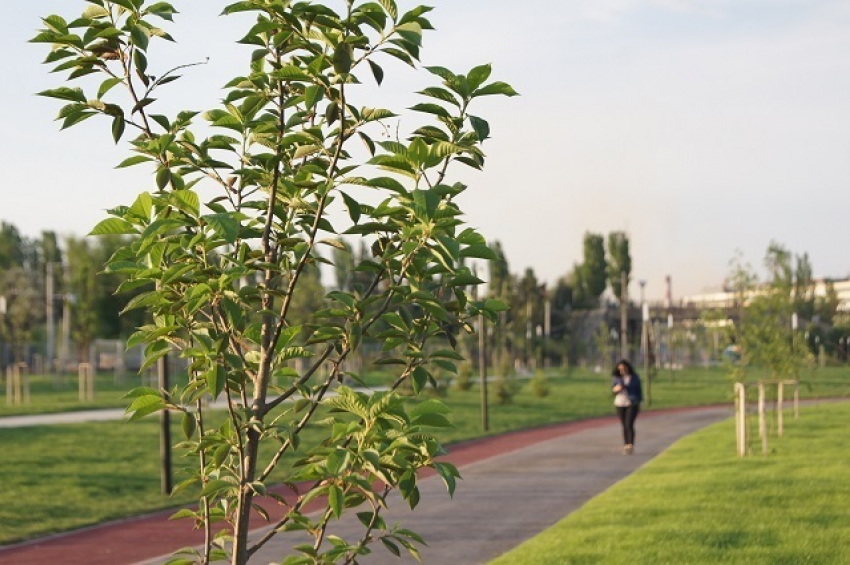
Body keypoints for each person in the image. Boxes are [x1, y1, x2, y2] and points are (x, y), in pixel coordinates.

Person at [611, 359, 643, 454]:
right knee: (624, 425)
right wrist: (616, 389)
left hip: (631, 403)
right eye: (620, 369)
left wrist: (625, 387)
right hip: (620, 403)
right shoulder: (617, 378)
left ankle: (630, 444)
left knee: (629, 424)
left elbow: (637, 389)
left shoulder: (634, 377)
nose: (622, 370)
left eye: (623, 368)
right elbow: (613, 390)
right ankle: (626, 444)